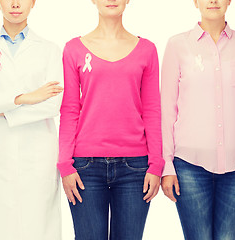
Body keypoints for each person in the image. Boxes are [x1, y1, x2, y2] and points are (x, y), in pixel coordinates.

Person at [160, 0, 235, 239]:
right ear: (195, 2)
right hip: (189, 165)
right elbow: (167, 111)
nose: (213, 1)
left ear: (229, 1)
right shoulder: (177, 46)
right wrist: (166, 165)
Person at [58, 0, 163, 239]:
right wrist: (65, 164)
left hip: (136, 167)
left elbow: (152, 109)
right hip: (84, 167)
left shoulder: (147, 49)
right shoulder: (74, 49)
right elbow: (70, 109)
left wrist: (156, 163)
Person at [0, 0, 63, 239]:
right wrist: (25, 98)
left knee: (37, 226)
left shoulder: (49, 50)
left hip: (37, 154)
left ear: (33, 2)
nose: (15, 4)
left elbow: (52, 104)